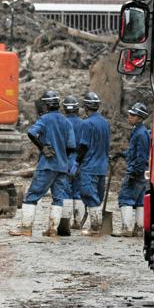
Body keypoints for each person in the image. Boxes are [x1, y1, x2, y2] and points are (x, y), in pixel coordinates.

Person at [10, 90, 75, 237]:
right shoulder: (66, 121)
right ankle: (52, 229)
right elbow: (71, 146)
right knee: (58, 198)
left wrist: (42, 147)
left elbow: (32, 133)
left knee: (32, 196)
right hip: (62, 167)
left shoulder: (45, 119)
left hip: (47, 165)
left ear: (45, 105)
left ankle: (26, 228)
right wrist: (62, 156)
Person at [75, 91, 111, 236]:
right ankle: (96, 225)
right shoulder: (105, 123)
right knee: (97, 195)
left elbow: (83, 146)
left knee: (89, 195)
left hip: (89, 166)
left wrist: (77, 162)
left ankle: (95, 228)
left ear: (85, 107)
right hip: (102, 167)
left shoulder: (86, 123)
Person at [115, 102, 151, 237]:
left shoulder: (140, 134)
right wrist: (121, 154)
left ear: (140, 118)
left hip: (137, 171)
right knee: (139, 201)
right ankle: (139, 228)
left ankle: (127, 228)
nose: (129, 116)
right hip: (142, 171)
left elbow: (141, 156)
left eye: (132, 115)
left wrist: (133, 172)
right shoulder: (139, 131)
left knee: (125, 197)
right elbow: (134, 153)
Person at [61, 95, 85, 232]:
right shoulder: (83, 123)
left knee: (65, 190)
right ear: (77, 109)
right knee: (77, 191)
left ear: (64, 108)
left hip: (65, 158)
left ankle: (66, 222)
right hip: (79, 159)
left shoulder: (62, 122)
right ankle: (78, 222)